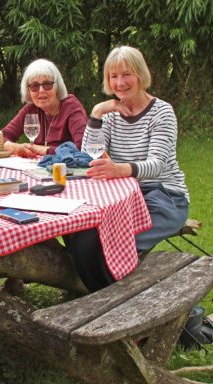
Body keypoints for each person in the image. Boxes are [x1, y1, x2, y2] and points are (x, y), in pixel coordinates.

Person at [66, 46, 189, 292]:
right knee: (78, 235)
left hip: (165, 197)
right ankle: (108, 299)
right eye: (113, 76)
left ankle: (110, 302)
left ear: (141, 75)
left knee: (109, 245)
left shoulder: (162, 112)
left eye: (127, 74)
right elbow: (88, 153)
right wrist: (97, 113)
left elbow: (157, 165)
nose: (120, 82)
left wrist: (118, 169)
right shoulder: (110, 114)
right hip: (123, 196)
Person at [2, 59, 87, 158]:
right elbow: (1, 137)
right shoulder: (30, 109)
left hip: (67, 170)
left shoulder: (71, 106)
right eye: (35, 86)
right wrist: (14, 147)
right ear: (28, 90)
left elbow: (83, 148)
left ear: (57, 86)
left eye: (47, 84)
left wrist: (42, 150)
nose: (41, 91)